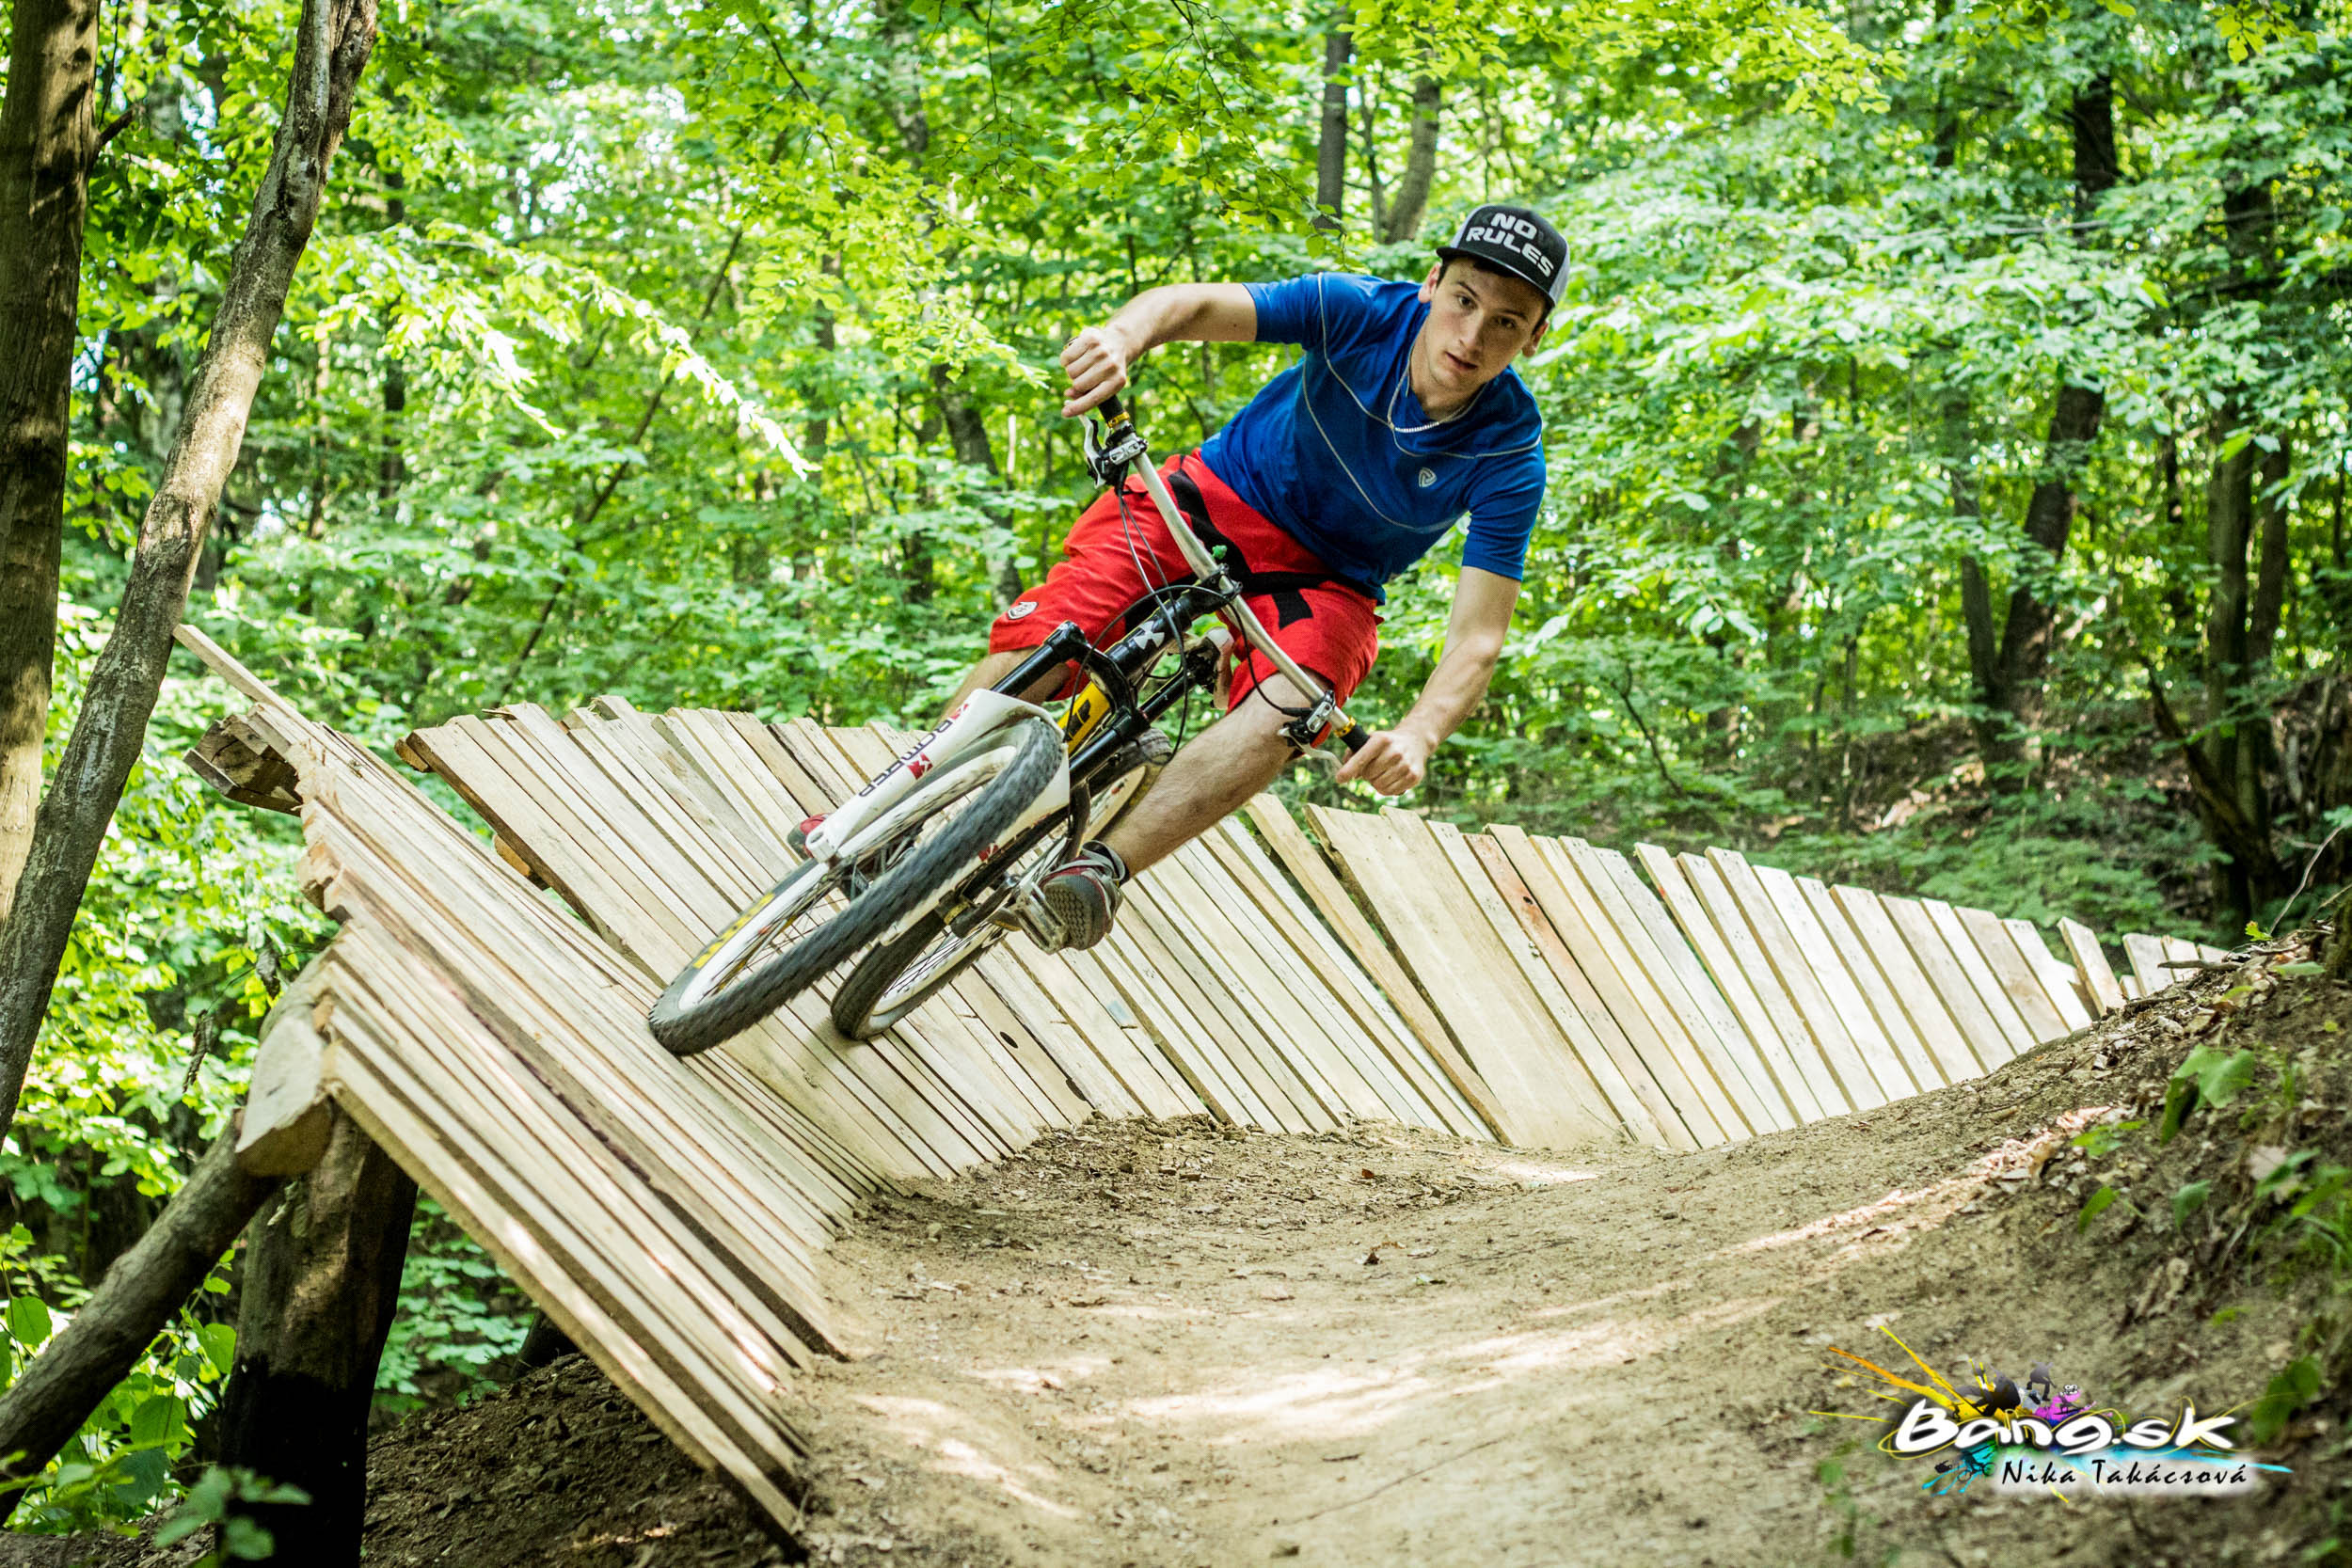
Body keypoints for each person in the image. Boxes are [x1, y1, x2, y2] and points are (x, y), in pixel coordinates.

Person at [857, 203, 1564, 952]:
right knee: (1057, 634)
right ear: (1431, 282)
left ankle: (1098, 870)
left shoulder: (1511, 455)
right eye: (1463, 300)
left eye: (1505, 323)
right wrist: (1120, 339)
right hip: (1214, 497)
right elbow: (1192, 305)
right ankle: (888, 816)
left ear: (1535, 335)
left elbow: (1478, 636)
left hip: (1327, 579)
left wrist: (1419, 734)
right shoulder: (1356, 310)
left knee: (1300, 704)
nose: (1471, 337)